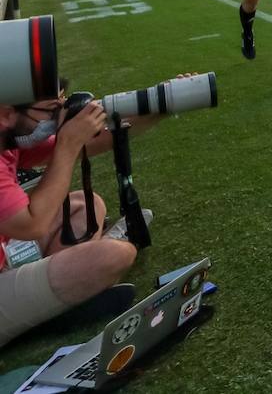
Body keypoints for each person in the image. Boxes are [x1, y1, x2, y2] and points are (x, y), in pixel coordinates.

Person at [0, 87, 167, 347]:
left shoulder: (7, 137)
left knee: (85, 206)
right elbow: (32, 224)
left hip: (5, 255)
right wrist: (67, 143)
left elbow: (91, 141)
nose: (57, 116)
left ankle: (51, 301)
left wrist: (160, 108)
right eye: (51, 110)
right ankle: (53, 304)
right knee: (116, 254)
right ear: (6, 113)